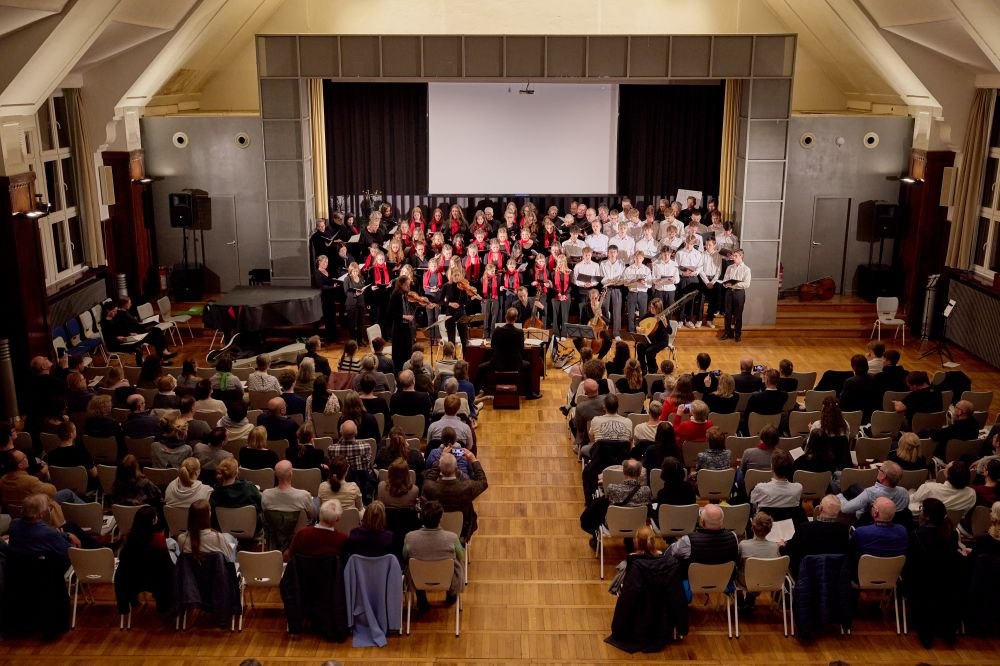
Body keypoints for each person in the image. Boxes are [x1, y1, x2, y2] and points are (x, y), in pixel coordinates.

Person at [904, 497, 962, 648]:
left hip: (923, 586)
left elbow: (911, 564)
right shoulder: (952, 534)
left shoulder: (917, 535)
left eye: (922, 509)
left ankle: (926, 634)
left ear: (927, 516)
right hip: (947, 585)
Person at [403, 499, 465, 610]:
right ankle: (451, 594)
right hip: (447, 578)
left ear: (421, 517)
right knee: (457, 562)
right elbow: (461, 556)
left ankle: (421, 597)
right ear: (440, 519)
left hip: (418, 579)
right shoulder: (452, 538)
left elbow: (404, 556)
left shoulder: (409, 538)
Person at [422, 451, 488, 539]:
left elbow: (428, 479)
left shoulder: (430, 488)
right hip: (463, 530)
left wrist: (439, 463)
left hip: (435, 525)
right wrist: (474, 460)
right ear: (456, 468)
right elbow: (483, 482)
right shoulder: (468, 487)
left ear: (439, 468)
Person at [780, 494, 850, 576]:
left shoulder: (805, 528)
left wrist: (781, 547)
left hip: (806, 576)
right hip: (833, 576)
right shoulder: (843, 530)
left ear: (820, 509)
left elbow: (788, 554)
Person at [7, 493, 77, 563]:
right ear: (41, 515)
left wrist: (65, 535)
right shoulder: (49, 534)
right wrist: (72, 544)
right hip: (51, 568)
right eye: (48, 507)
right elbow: (71, 555)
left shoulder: (13, 524)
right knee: (72, 527)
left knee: (70, 525)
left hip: (20, 567)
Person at [668, 504, 739, 571]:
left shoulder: (688, 541)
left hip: (693, 581)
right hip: (725, 580)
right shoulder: (734, 537)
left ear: (702, 522)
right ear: (722, 522)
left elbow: (672, 552)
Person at [1, 449, 79, 506]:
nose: (27, 458)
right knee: (68, 493)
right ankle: (89, 514)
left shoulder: (2, 480)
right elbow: (52, 491)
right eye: (24, 457)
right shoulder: (29, 481)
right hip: (35, 510)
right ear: (20, 465)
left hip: (16, 514)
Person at [838, 460, 909, 518]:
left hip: (869, 523)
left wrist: (840, 496)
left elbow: (845, 509)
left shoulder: (870, 493)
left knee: (846, 493)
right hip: (892, 523)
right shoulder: (904, 492)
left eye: (880, 469)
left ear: (883, 476)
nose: (878, 471)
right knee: (854, 487)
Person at [850, 496, 908, 561]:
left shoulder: (861, 532)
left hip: (865, 570)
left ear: (875, 513)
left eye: (872, 506)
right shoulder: (903, 530)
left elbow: (851, 553)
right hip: (894, 570)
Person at [43, 421, 97, 489]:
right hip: (83, 487)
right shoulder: (82, 453)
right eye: (74, 429)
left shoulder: (50, 455)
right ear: (71, 434)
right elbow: (94, 474)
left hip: (60, 488)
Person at [911, 460, 976, 515]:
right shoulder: (971, 494)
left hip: (929, 525)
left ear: (948, 474)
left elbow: (914, 499)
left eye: (947, 467)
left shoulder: (928, 487)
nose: (946, 466)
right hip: (952, 525)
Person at [749, 448, 803, 514]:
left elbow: (752, 500)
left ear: (772, 468)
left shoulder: (761, 489)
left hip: (767, 523)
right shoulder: (798, 488)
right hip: (790, 523)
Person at [719, 249, 750, 342]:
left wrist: (734, 284)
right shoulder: (730, 267)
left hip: (739, 293)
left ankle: (737, 333)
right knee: (727, 314)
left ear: (741, 257)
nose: (734, 258)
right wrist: (725, 284)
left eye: (736, 256)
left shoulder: (746, 269)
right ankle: (727, 332)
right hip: (729, 292)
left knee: (738, 314)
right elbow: (725, 279)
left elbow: (747, 284)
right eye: (733, 256)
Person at [635, 299, 671, 377]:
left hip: (662, 341)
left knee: (649, 351)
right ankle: (643, 369)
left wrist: (665, 324)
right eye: (650, 307)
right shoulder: (649, 314)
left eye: (653, 308)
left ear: (658, 308)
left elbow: (670, 331)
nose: (651, 309)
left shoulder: (664, 316)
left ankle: (653, 371)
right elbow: (638, 322)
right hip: (651, 339)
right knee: (640, 346)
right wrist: (637, 327)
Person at [387, 275, 416, 374]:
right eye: (407, 285)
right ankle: (399, 373)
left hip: (406, 327)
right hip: (399, 329)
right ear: (401, 285)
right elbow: (390, 313)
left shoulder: (405, 294)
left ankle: (407, 370)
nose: (409, 287)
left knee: (408, 350)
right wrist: (404, 316)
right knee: (399, 352)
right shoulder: (395, 295)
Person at [839, 354, 879, 420]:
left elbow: (843, 402)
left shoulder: (850, 382)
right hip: (870, 416)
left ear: (853, 367)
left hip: (853, 416)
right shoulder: (875, 379)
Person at [313, 254, 339, 341]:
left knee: (332, 317)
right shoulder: (317, 272)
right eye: (324, 262)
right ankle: (329, 337)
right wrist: (333, 287)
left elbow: (330, 282)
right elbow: (321, 286)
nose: (326, 264)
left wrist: (335, 283)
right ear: (319, 262)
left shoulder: (327, 271)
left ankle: (334, 336)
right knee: (328, 318)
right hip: (324, 298)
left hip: (331, 298)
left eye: (327, 262)